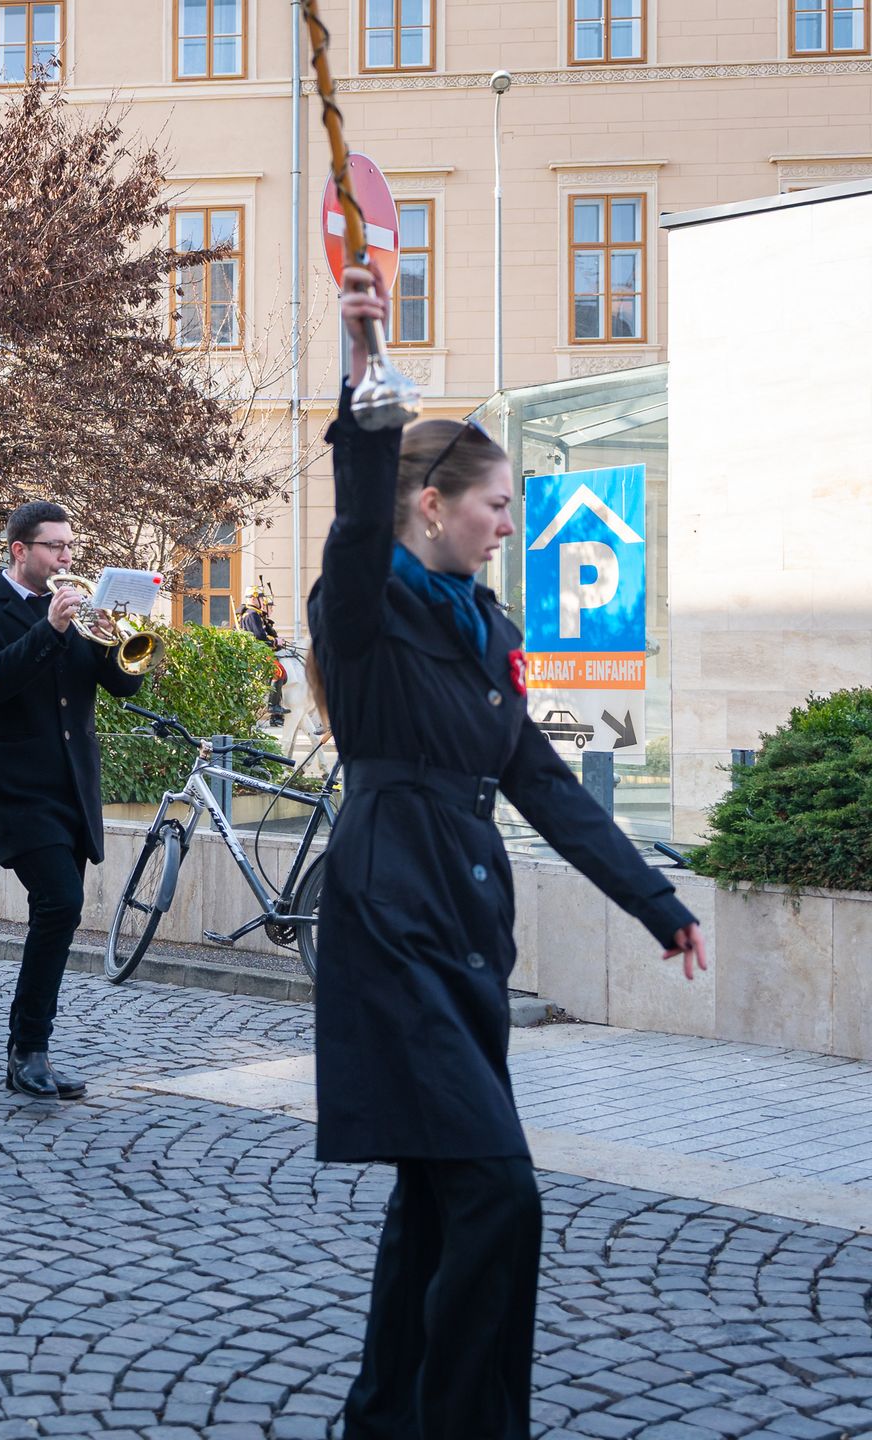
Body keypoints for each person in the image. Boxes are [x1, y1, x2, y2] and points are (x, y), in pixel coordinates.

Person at [312, 265, 707, 1440]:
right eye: (495, 503)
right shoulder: (365, 609)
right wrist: (367, 360)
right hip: (391, 921)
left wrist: (653, 898)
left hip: (467, 925)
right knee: (498, 1193)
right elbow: (351, 510)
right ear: (433, 505)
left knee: (439, 1197)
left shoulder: (486, 626)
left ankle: (384, 1418)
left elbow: (535, 777)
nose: (510, 520)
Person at [0, 501, 145, 1101]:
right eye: (55, 547)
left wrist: (125, 634)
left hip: (73, 786)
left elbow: (120, 683)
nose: (68, 558)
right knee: (61, 902)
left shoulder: (78, 607)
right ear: (20, 551)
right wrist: (51, 630)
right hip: (17, 786)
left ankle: (28, 1046)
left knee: (60, 911)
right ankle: (29, 1048)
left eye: (71, 546)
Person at [237, 583, 286, 723]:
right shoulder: (252, 614)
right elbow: (259, 637)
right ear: (253, 599)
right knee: (279, 671)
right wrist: (275, 642)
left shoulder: (252, 613)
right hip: (255, 654)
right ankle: (273, 706)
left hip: (256, 651)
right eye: (260, 598)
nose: (262, 602)